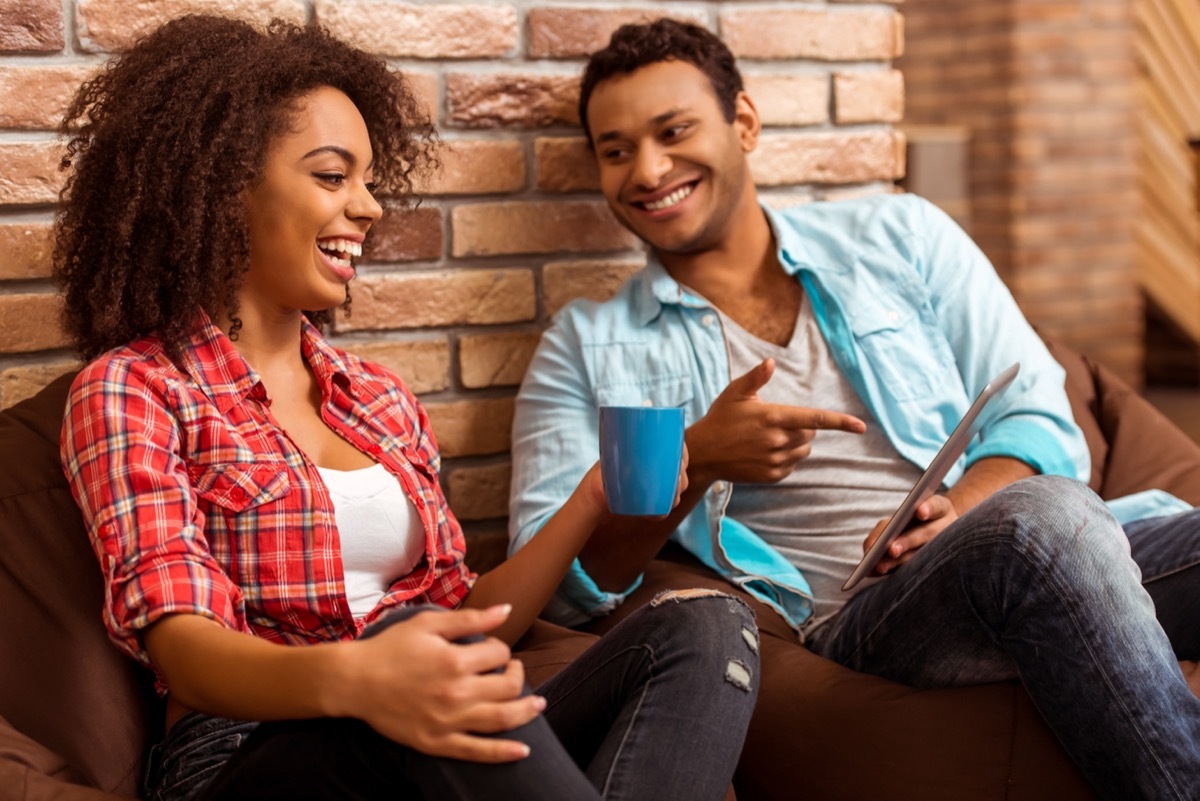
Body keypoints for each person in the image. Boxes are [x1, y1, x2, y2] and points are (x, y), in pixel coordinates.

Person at [54, 15, 760, 801]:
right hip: (246, 750)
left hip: (420, 716)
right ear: (223, 189)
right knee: (419, 647)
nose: (369, 207)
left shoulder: (378, 398)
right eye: (333, 177)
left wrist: (591, 499)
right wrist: (364, 673)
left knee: (706, 624)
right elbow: (185, 651)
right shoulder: (135, 388)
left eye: (367, 180)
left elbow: (468, 614)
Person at [508, 18, 1200, 801]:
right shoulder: (587, 344)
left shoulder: (900, 235)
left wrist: (963, 507)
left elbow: (1037, 411)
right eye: (616, 150)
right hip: (875, 617)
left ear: (744, 122)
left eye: (674, 131)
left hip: (1051, 548)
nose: (649, 169)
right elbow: (562, 579)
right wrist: (698, 460)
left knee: (1043, 519)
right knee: (1044, 515)